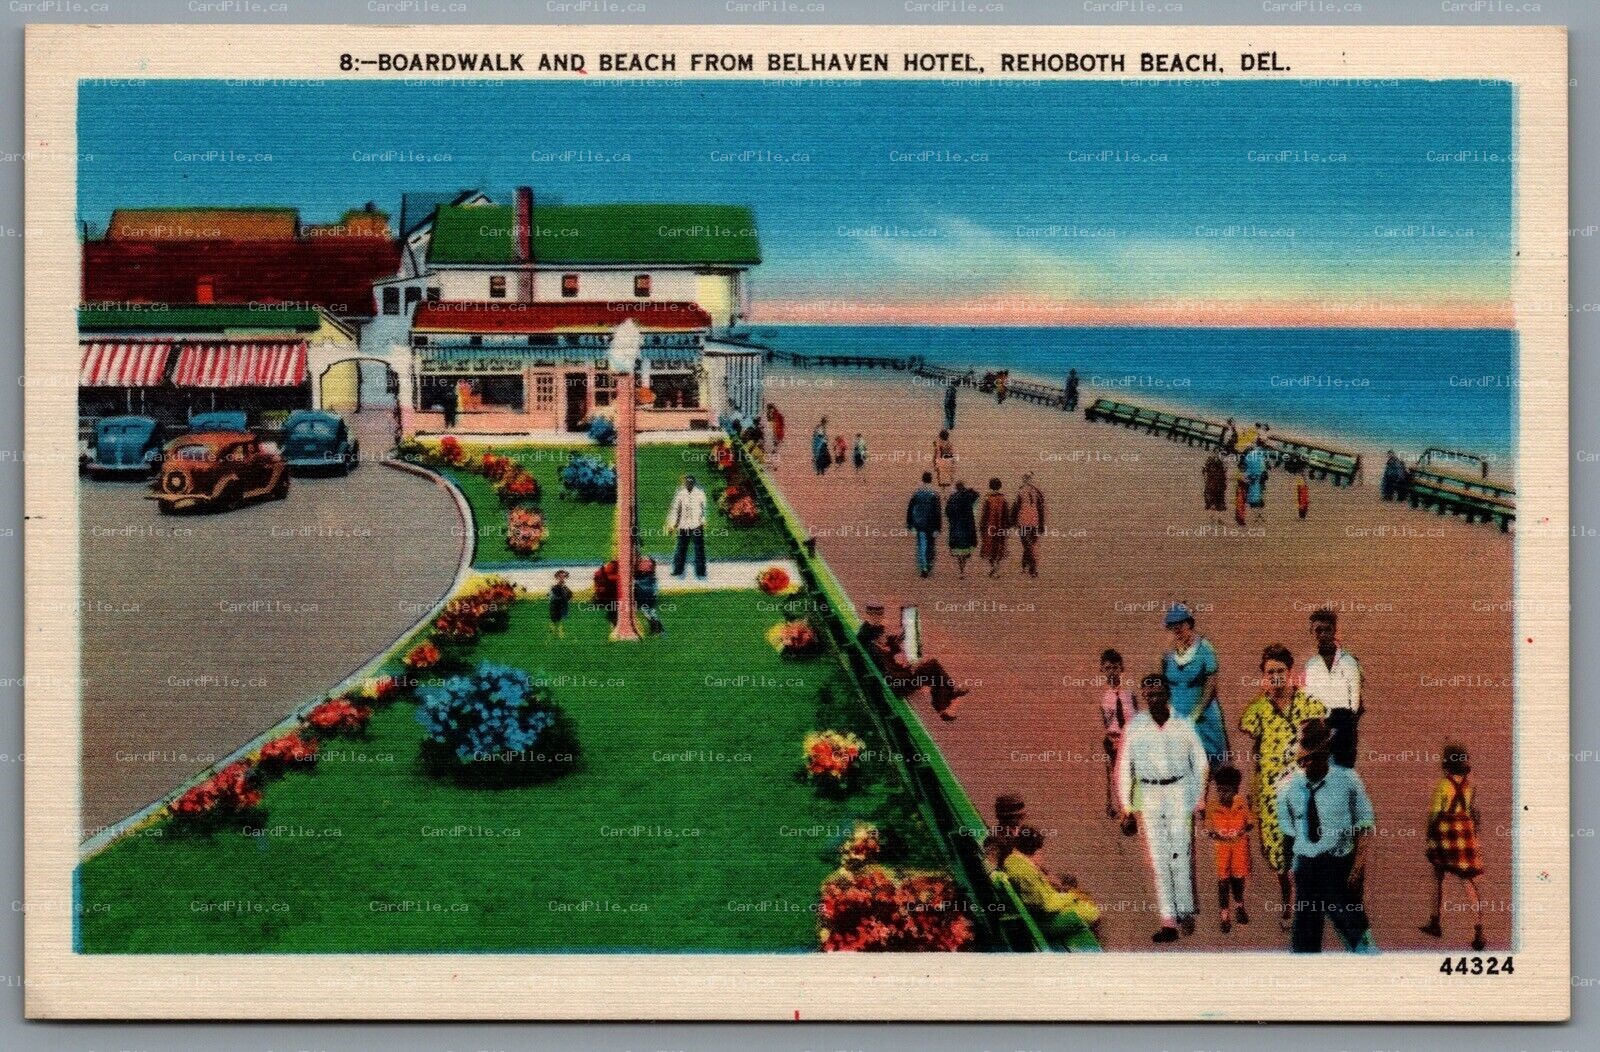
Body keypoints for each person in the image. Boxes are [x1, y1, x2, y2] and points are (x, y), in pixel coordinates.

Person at [1239, 643, 1327, 929]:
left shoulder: (1309, 705)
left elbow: (1323, 738)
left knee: (1307, 842)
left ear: (1290, 673)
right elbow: (1250, 742)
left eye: (1280, 671)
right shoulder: (1258, 710)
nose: (1275, 677)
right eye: (1269, 672)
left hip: (1304, 787)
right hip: (1270, 790)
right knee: (1277, 850)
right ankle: (1287, 900)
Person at [1118, 672, 1210, 942]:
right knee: (1159, 859)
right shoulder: (1135, 727)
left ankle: (1185, 910)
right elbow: (1125, 768)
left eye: (1159, 692)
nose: (1154, 697)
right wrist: (1126, 807)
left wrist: (1200, 798)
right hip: (1149, 794)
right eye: (1149, 694)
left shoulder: (1183, 724)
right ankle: (1168, 920)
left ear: (1167, 694)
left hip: (1180, 790)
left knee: (1180, 853)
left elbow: (1200, 763)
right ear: (1144, 697)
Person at [1277, 718, 1376, 953]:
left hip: (1339, 867)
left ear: (1325, 754)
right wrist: (1289, 872)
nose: (1307, 764)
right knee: (1304, 944)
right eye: (1303, 760)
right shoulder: (1287, 787)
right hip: (1307, 869)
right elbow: (1288, 836)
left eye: (1313, 758)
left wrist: (1357, 868)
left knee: (1358, 937)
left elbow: (1364, 825)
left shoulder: (1348, 781)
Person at [1421, 743, 1487, 951]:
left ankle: (1435, 921)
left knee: (1437, 877)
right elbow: (1471, 810)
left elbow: (1434, 813)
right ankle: (1478, 929)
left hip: (1445, 832)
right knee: (1468, 881)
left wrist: (1429, 833)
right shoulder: (1469, 785)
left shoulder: (1443, 785)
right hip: (1464, 833)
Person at [856, 603, 969, 719]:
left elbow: (889, 644)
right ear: (876, 639)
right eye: (883, 635)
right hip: (899, 685)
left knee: (933, 674)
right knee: (932, 667)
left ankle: (943, 705)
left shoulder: (877, 643)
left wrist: (908, 662)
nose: (885, 635)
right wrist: (910, 671)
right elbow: (889, 673)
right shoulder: (875, 650)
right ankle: (947, 696)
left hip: (900, 680)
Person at [999, 824, 1101, 945]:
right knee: (1093, 912)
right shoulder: (1026, 873)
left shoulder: (1011, 860)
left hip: (1033, 915)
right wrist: (1072, 896)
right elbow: (1047, 905)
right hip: (1042, 924)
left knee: (1079, 897)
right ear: (1036, 849)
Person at [1162, 604, 1229, 769]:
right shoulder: (1168, 655)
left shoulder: (1205, 649)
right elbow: (1165, 687)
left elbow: (1211, 687)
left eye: (1181, 625)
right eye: (1173, 627)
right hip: (1177, 720)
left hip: (1203, 719)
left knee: (1211, 767)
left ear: (1189, 624)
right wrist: (1171, 714)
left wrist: (1195, 715)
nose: (1177, 630)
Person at [1303, 608, 1363, 768]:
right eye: (1318, 630)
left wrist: (1346, 727)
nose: (1322, 634)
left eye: (1327, 629)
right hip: (1320, 728)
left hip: (1345, 726)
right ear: (1312, 632)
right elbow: (1309, 700)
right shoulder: (1311, 665)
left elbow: (1355, 702)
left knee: (1342, 773)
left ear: (1335, 630)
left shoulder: (1349, 661)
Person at [1204, 764, 1253, 934]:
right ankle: (1224, 914)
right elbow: (1208, 830)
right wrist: (1220, 835)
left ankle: (1239, 905)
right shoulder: (1212, 806)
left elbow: (1250, 823)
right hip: (1223, 850)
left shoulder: (1242, 803)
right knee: (1223, 882)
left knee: (1238, 880)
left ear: (1235, 789)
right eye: (1219, 790)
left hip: (1239, 848)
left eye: (1227, 790)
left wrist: (1240, 831)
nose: (1222, 794)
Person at [1099, 648, 1138, 819]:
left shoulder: (1130, 694)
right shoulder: (1105, 698)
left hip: (1131, 739)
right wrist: (1110, 739)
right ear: (1102, 671)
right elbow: (1106, 723)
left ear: (1121, 668)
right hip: (1115, 741)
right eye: (1107, 668)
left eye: (1114, 667)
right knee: (1115, 775)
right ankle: (1119, 809)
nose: (1111, 672)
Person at [666, 474, 708, 580]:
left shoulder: (700, 493)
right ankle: (678, 570)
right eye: (686, 482)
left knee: (699, 549)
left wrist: (702, 523)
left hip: (696, 526)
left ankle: (701, 572)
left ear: (693, 483)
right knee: (680, 548)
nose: (688, 484)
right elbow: (676, 510)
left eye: (690, 482)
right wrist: (672, 525)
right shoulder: (680, 494)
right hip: (683, 525)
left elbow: (704, 510)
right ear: (684, 483)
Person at [906, 472, 942, 578]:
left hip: (920, 523)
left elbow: (910, 509)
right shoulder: (934, 494)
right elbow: (937, 512)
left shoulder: (917, 493)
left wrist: (909, 523)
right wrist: (938, 527)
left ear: (923, 480)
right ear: (931, 480)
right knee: (931, 545)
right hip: (931, 525)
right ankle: (929, 564)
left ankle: (924, 567)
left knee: (922, 545)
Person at [1012, 472, 1046, 578]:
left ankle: (1032, 568)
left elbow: (1015, 509)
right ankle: (1025, 566)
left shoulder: (1020, 492)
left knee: (1027, 545)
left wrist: (1011, 522)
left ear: (1024, 480)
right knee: (1029, 545)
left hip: (1023, 523)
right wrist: (1041, 524)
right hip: (1034, 523)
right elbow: (1041, 509)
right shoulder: (1037, 492)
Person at [944, 479, 979, 578]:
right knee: (966, 547)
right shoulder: (968, 496)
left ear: (956, 488)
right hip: (968, 526)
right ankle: (963, 567)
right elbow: (977, 495)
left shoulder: (952, 498)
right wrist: (969, 490)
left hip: (956, 526)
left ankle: (961, 570)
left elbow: (947, 512)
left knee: (958, 549)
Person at [978, 477, 1010, 577]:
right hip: (1001, 527)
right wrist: (1007, 527)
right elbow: (1006, 515)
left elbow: (984, 515)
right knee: (1000, 547)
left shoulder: (988, 499)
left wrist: (982, 526)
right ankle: (997, 567)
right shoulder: (1003, 499)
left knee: (990, 547)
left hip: (990, 528)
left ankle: (993, 567)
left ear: (990, 486)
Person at [634, 557, 663, 634]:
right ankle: (657, 629)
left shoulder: (643, 574)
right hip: (649, 594)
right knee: (649, 612)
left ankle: (657, 629)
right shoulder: (651, 576)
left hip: (645, 594)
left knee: (648, 612)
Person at [1242, 439, 1269, 520]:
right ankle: (1258, 515)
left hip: (1256, 477)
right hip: (1259, 478)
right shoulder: (1260, 454)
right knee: (1259, 495)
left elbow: (1245, 467)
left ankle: (1257, 515)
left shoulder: (1253, 453)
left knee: (1256, 495)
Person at [592, 560, 620, 626]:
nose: (609, 568)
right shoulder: (600, 573)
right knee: (613, 602)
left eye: (612, 567)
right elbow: (600, 588)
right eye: (609, 566)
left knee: (614, 602)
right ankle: (612, 618)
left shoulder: (605, 573)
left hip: (609, 596)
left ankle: (612, 618)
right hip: (602, 597)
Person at [548, 569, 572, 639]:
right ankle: (554, 635)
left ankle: (559, 635)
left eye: (563, 576)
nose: (562, 578)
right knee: (555, 620)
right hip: (555, 605)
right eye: (560, 576)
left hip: (562, 606)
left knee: (560, 621)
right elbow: (558, 594)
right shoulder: (554, 587)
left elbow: (569, 595)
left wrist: (567, 597)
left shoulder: (564, 587)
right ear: (557, 577)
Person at [1203, 451, 1227, 515]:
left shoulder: (1221, 462)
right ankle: (1212, 514)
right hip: (1212, 482)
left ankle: (1216, 515)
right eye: (1215, 452)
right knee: (1210, 498)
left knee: (1218, 499)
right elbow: (1205, 470)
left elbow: (1224, 473)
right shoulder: (1210, 460)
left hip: (1218, 483)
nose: (1216, 454)